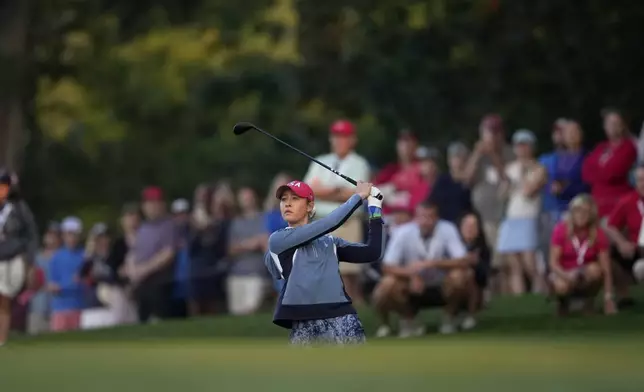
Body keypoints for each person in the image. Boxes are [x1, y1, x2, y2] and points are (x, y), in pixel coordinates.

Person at [264, 180, 384, 345]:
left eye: (295, 198)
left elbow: (372, 252)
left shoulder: (330, 242)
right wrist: (358, 196)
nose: (288, 203)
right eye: (284, 199)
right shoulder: (278, 239)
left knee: (356, 369)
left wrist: (375, 209)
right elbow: (329, 223)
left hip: (342, 317)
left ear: (309, 206)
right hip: (303, 322)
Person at [372, 202, 477, 338]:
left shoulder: (447, 229)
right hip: (409, 284)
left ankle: (449, 318)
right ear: (416, 218)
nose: (426, 222)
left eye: (430, 217)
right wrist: (411, 275)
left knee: (461, 276)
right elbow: (387, 266)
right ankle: (408, 320)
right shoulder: (402, 232)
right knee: (387, 285)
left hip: (441, 281)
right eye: (422, 217)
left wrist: (432, 263)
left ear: (437, 218)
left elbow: (463, 260)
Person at [304, 119, 371, 305]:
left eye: (344, 136)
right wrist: (337, 191)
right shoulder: (321, 161)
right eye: (336, 136)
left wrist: (323, 191)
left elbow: (356, 194)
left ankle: (355, 318)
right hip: (321, 223)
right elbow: (307, 190)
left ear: (352, 140)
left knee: (348, 276)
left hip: (347, 221)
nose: (339, 140)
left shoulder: (359, 163)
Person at [463, 114, 514, 290]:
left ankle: (507, 295)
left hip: (503, 214)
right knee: (488, 260)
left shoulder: (509, 153)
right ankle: (491, 294)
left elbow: (507, 179)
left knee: (503, 261)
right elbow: (466, 180)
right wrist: (477, 154)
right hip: (480, 216)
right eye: (487, 132)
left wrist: (493, 155)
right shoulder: (477, 154)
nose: (490, 137)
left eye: (494, 133)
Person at [496, 130, 547, 295]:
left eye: (525, 145)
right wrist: (506, 182)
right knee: (513, 264)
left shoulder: (539, 168)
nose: (521, 149)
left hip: (528, 217)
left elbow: (528, 191)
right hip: (512, 217)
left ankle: (542, 291)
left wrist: (523, 172)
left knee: (529, 262)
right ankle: (520, 297)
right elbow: (502, 194)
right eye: (518, 145)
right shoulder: (510, 168)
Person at [549, 194, 616, 316]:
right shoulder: (560, 230)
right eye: (577, 211)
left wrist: (608, 298)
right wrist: (566, 276)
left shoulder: (598, 234)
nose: (581, 215)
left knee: (596, 270)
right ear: (572, 213)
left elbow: (606, 269)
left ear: (591, 214)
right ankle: (563, 304)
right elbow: (553, 263)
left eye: (585, 211)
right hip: (565, 272)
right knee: (561, 285)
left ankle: (588, 303)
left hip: (585, 273)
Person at [127, 186, 177, 323]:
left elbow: (168, 253)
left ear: (162, 204)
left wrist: (144, 269)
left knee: (158, 321)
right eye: (148, 203)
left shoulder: (168, 225)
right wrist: (132, 270)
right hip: (141, 284)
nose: (152, 207)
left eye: (155, 203)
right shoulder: (143, 228)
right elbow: (134, 251)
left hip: (160, 282)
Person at [0, 170, 38, 345]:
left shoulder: (19, 208)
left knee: (5, 297)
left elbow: (31, 234)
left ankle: (2, 338)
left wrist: (29, 261)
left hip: (12, 257)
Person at [188, 182, 235, 316]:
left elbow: (221, 245)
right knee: (197, 311)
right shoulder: (193, 221)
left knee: (215, 311)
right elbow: (191, 247)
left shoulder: (221, 221)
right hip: (197, 270)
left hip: (215, 271)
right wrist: (198, 229)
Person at [582, 108, 637, 218]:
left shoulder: (628, 147)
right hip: (597, 205)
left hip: (616, 205)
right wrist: (604, 171)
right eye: (608, 123)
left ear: (622, 126)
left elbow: (614, 173)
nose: (611, 126)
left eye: (615, 123)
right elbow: (586, 173)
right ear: (604, 126)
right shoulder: (600, 147)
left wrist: (598, 171)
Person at [605, 164, 644, 308]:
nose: (643, 184)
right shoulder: (628, 201)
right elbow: (610, 226)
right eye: (640, 180)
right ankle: (624, 297)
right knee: (609, 252)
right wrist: (621, 242)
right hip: (637, 250)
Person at [227, 187, 268, 315]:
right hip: (237, 274)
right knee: (237, 315)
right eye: (244, 198)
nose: (247, 201)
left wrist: (242, 244)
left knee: (251, 312)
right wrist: (250, 243)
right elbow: (231, 249)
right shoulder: (236, 222)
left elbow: (264, 241)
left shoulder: (263, 219)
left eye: (249, 197)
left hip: (257, 274)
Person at [47, 217, 86, 332]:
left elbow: (85, 282)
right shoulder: (56, 257)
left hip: (79, 307)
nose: (72, 237)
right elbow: (52, 284)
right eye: (69, 234)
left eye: (75, 234)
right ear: (63, 235)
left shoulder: (84, 256)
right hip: (60, 308)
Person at [373, 130, 421, 215]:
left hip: (415, 217)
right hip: (390, 216)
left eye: (409, 142)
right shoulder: (390, 169)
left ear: (416, 146)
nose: (406, 146)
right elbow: (374, 193)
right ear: (397, 146)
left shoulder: (422, 168)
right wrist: (394, 186)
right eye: (402, 142)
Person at [27, 222, 61, 335]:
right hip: (38, 306)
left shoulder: (63, 257)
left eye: (55, 235)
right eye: (49, 234)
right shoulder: (36, 257)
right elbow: (29, 283)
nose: (51, 238)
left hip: (58, 308)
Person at [429, 142, 473, 223]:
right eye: (455, 157)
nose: (458, 160)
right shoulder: (442, 180)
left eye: (461, 157)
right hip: (444, 224)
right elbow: (432, 202)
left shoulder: (471, 181)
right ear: (449, 160)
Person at [459, 212, 491, 311]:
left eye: (473, 226)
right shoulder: (452, 246)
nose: (469, 229)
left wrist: (476, 263)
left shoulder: (483, 249)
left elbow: (485, 275)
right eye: (467, 225)